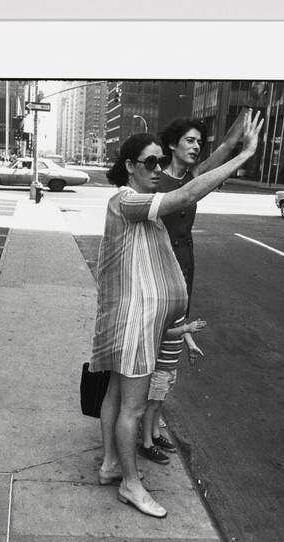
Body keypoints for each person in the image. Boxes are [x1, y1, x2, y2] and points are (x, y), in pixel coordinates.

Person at [90, 110, 263, 518]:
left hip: (132, 316)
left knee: (116, 394)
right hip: (136, 321)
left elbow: (196, 174)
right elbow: (186, 195)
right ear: (131, 167)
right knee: (133, 406)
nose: (155, 169)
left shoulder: (136, 199)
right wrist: (245, 155)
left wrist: (236, 135)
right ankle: (131, 485)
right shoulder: (129, 200)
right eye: (148, 163)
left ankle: (111, 465)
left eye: (157, 162)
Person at [157, 82, 268, 314]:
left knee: (179, 320)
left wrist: (250, 102)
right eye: (190, 140)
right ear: (171, 144)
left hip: (185, 260)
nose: (197, 146)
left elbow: (227, 144)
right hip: (159, 259)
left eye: (199, 142)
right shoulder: (154, 178)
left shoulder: (195, 175)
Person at [139, 316, 206, 463]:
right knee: (152, 404)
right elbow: (162, 331)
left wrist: (190, 343)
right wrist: (186, 328)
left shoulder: (179, 303)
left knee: (159, 402)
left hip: (170, 365)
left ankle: (155, 435)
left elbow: (182, 325)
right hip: (160, 367)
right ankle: (146, 443)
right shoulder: (166, 305)